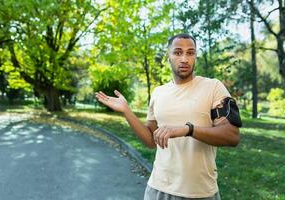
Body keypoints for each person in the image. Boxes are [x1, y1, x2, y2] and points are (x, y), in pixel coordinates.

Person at [95, 33, 242, 200]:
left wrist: (188, 130)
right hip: (158, 189)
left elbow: (232, 136)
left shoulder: (214, 87)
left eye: (190, 53)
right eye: (178, 52)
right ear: (168, 56)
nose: (184, 59)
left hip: (201, 192)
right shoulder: (158, 93)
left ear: (195, 56)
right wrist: (127, 111)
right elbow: (151, 140)